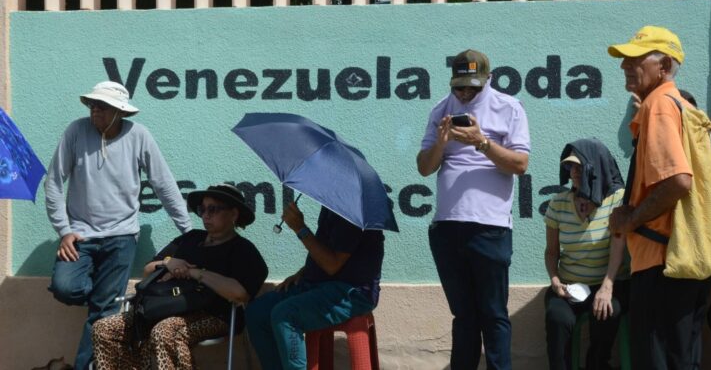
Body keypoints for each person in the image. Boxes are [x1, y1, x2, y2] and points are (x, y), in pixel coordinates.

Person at [44, 81, 192, 370]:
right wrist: (64, 231)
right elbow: (53, 183)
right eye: (92, 105)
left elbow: (163, 184)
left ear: (119, 112)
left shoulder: (139, 136)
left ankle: (87, 365)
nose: (94, 110)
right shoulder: (76, 131)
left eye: (101, 106)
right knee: (65, 287)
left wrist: (188, 231)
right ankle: (104, 302)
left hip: (122, 238)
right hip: (80, 236)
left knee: (103, 315)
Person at [416, 49, 530, 370]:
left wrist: (481, 142)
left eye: (473, 87)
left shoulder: (509, 109)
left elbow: (520, 164)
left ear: (489, 80)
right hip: (448, 228)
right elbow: (424, 168)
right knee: (463, 316)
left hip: (490, 227)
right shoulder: (441, 110)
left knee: (493, 314)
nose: (465, 94)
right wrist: (440, 142)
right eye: (459, 87)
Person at [607, 26, 711, 369]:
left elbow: (678, 181)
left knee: (656, 360)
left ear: (664, 65)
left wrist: (631, 219)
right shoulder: (677, 104)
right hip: (684, 259)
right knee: (682, 360)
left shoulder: (659, 106)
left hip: (662, 262)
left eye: (635, 58)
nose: (625, 65)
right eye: (624, 59)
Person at [92, 183, 268, 369]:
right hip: (161, 307)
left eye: (213, 209)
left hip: (213, 314)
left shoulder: (243, 250)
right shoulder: (190, 238)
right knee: (103, 329)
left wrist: (195, 272)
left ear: (234, 214)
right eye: (202, 209)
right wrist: (168, 263)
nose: (206, 215)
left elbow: (240, 294)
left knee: (164, 331)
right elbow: (147, 271)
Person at [246, 202, 384, 370]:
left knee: (285, 315)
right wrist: (304, 271)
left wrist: (300, 228)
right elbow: (331, 249)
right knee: (257, 312)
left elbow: (332, 264)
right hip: (317, 284)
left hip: (351, 292)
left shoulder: (353, 210)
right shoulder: (332, 205)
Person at [544, 139, 628, 370]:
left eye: (580, 167)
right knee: (557, 317)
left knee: (609, 311)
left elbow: (618, 247)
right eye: (571, 167)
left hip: (607, 283)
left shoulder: (617, 200)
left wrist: (607, 287)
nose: (574, 173)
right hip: (569, 287)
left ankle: (597, 364)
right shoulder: (558, 203)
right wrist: (555, 281)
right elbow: (551, 253)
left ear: (596, 168)